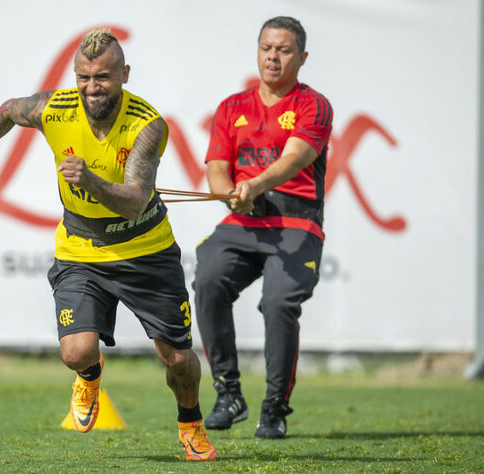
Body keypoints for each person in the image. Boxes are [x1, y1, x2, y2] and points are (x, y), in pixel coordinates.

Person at [0, 28, 216, 461]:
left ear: (125, 74)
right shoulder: (56, 108)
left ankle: (190, 423)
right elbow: (6, 112)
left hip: (145, 250)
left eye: (104, 77)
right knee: (75, 351)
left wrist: (89, 178)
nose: (92, 88)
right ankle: (89, 375)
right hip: (80, 249)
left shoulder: (147, 126)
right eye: (84, 77)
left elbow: (133, 204)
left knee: (179, 361)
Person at [194, 16, 333, 439]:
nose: (273, 56)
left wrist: (253, 184)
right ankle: (228, 393)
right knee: (209, 279)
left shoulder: (313, 105)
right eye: (267, 48)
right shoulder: (231, 108)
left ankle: (274, 407)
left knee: (278, 303)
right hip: (243, 220)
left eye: (284, 49)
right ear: (257, 51)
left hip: (296, 222)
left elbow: (294, 159)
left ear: (302, 57)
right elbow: (217, 170)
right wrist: (228, 193)